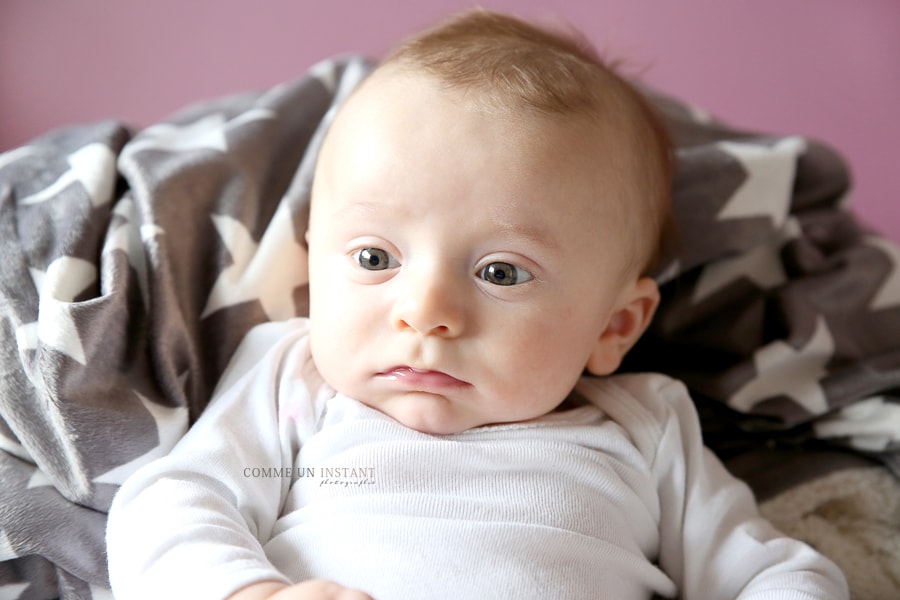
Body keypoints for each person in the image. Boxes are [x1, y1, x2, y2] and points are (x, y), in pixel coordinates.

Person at [106, 9, 848, 600]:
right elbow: (175, 500)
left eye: (500, 272)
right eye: (374, 259)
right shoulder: (294, 386)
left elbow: (776, 573)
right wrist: (248, 591)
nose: (425, 312)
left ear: (615, 326)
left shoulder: (645, 427)